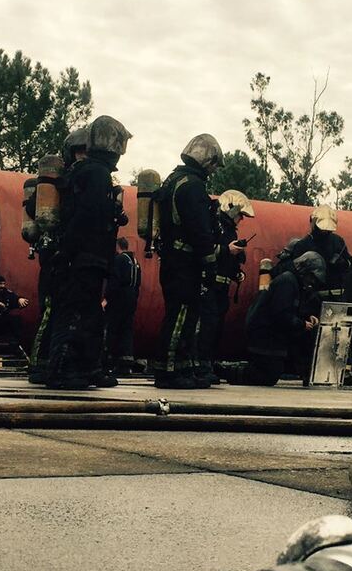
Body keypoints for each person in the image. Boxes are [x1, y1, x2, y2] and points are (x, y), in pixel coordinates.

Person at [46, 115, 131, 390]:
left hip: (85, 257)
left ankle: (85, 367)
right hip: (85, 258)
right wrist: (71, 252)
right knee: (77, 314)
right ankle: (64, 370)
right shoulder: (96, 174)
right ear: (112, 146)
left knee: (88, 314)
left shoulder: (85, 172)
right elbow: (86, 216)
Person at [153, 133, 223, 389]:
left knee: (179, 314)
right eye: (214, 164)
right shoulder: (192, 186)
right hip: (184, 263)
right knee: (182, 315)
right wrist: (209, 262)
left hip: (173, 260)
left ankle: (180, 369)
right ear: (206, 160)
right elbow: (199, 229)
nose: (214, 170)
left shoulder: (174, 180)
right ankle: (169, 372)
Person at [26, 126, 88, 385]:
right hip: (55, 254)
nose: (85, 156)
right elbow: (34, 208)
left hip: (58, 252)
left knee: (56, 310)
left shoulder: (70, 179)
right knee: (50, 309)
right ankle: (37, 364)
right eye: (81, 151)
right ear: (73, 153)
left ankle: (47, 363)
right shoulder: (64, 181)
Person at [272, 205, 352, 380]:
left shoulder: (338, 242)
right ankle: (307, 372)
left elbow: (349, 265)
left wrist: (342, 263)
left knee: (338, 336)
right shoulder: (303, 245)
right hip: (312, 298)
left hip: (336, 297)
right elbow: (295, 270)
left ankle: (337, 373)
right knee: (309, 336)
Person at [195, 190, 255, 384]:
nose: (241, 220)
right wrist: (225, 250)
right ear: (230, 209)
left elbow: (227, 259)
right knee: (208, 325)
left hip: (222, 288)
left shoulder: (230, 231)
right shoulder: (213, 225)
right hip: (209, 285)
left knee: (217, 326)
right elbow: (203, 249)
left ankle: (210, 363)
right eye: (240, 215)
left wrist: (237, 272)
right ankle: (201, 365)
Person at [243, 251, 325, 385]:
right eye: (311, 277)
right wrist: (302, 324)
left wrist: (306, 317)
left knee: (270, 373)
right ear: (304, 271)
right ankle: (230, 372)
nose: (312, 282)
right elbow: (280, 314)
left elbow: (289, 309)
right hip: (264, 336)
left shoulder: (292, 282)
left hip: (269, 334)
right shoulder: (287, 282)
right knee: (265, 375)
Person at [105, 236, 142, 375]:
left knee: (114, 329)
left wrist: (107, 298)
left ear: (117, 246)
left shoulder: (119, 260)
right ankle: (126, 362)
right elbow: (138, 283)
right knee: (127, 329)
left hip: (119, 298)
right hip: (131, 297)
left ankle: (111, 361)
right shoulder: (135, 262)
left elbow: (114, 281)